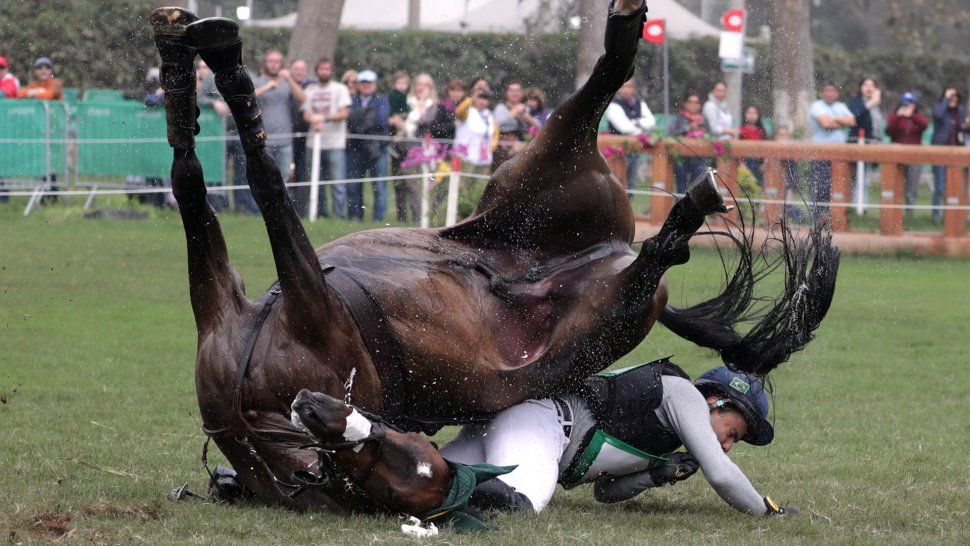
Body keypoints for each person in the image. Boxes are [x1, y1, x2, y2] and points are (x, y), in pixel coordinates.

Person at [440, 358, 794, 517]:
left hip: (525, 425)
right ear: (715, 401)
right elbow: (721, 473)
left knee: (432, 472)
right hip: (540, 424)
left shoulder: (670, 433)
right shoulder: (686, 395)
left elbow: (604, 492)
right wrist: (765, 511)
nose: (728, 445)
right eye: (732, 432)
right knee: (522, 505)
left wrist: (656, 475)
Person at [302, 58, 352, 219]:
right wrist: (312, 119)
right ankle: (320, 214)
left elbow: (344, 113)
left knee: (337, 183)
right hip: (313, 143)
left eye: (327, 69)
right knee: (316, 181)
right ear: (317, 71)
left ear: (331, 71)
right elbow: (306, 113)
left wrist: (324, 119)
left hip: (335, 143)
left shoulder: (340, 89)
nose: (324, 72)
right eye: (321, 69)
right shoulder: (310, 90)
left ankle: (339, 216)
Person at [253, 49, 306, 179]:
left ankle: (282, 200)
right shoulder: (258, 81)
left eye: (277, 61)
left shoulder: (287, 83)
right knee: (264, 178)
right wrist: (267, 87)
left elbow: (303, 98)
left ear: (282, 64)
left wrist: (289, 78)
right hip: (263, 140)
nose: (274, 64)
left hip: (285, 140)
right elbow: (247, 98)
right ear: (265, 63)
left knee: (285, 177)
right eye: (271, 61)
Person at [345, 69, 390, 222]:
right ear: (358, 84)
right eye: (363, 82)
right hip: (355, 148)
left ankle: (378, 219)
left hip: (377, 148)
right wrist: (367, 116)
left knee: (379, 186)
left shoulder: (382, 100)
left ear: (375, 84)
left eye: (369, 83)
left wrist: (360, 117)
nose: (366, 86)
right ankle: (355, 217)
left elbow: (382, 120)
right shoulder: (351, 99)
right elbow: (350, 120)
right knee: (353, 185)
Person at [808, 82, 855, 215]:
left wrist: (833, 119)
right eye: (827, 90)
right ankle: (815, 216)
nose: (829, 93)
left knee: (836, 186)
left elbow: (851, 121)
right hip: (820, 153)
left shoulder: (841, 106)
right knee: (818, 186)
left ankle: (834, 216)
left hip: (839, 155)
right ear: (821, 93)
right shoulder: (816, 106)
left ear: (837, 94)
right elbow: (825, 124)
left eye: (832, 91)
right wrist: (841, 122)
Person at [397, 73, 437, 222]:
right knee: (406, 183)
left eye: (426, 85)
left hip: (423, 149)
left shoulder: (433, 105)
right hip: (404, 146)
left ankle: (421, 216)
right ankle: (407, 216)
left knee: (420, 184)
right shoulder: (408, 102)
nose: (422, 88)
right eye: (419, 84)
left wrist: (421, 107)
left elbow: (427, 123)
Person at [606, 79, 657, 196]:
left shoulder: (639, 103)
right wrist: (640, 125)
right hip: (617, 151)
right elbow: (624, 127)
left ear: (633, 88)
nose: (626, 90)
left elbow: (651, 121)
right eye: (623, 87)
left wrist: (634, 121)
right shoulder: (613, 104)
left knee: (631, 183)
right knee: (617, 182)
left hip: (635, 150)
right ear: (619, 88)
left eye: (629, 87)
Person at [453, 89, 496, 218]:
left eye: (485, 98)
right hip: (466, 157)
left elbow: (494, 135)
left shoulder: (489, 115)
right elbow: (459, 112)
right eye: (480, 98)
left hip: (483, 159)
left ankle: (472, 214)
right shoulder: (467, 112)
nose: (483, 101)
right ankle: (458, 214)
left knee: (478, 189)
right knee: (462, 188)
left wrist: (490, 148)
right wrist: (471, 99)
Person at [930, 87, 969, 223]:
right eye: (950, 94)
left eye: (955, 95)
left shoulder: (960, 110)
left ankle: (952, 217)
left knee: (954, 187)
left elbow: (962, 127)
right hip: (940, 151)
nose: (953, 97)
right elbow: (938, 115)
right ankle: (936, 216)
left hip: (956, 152)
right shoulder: (939, 107)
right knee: (940, 186)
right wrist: (946, 100)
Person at [886, 93, 929, 216]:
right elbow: (889, 130)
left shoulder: (917, 117)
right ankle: (892, 213)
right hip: (896, 156)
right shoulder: (896, 116)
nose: (908, 104)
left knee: (911, 187)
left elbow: (925, 125)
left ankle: (909, 213)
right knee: (895, 185)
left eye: (911, 102)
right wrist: (899, 116)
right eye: (905, 102)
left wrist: (912, 116)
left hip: (914, 157)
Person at [288, 59, 315, 216]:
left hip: (305, 138)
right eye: (296, 68)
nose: (299, 72)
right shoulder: (284, 84)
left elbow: (303, 98)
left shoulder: (311, 86)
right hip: (288, 135)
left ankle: (301, 209)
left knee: (303, 173)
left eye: (302, 69)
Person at [667, 91, 709, 193]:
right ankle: (681, 207)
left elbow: (710, 135)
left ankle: (693, 208)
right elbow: (671, 133)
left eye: (696, 102)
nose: (693, 105)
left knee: (697, 187)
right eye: (691, 102)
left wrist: (702, 133)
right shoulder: (679, 118)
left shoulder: (703, 119)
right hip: (681, 157)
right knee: (681, 187)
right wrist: (687, 128)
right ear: (686, 104)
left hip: (699, 157)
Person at [847, 77, 884, 143]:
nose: (869, 88)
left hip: (876, 142)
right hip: (858, 142)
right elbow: (853, 117)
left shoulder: (878, 105)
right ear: (860, 88)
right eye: (865, 85)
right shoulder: (856, 101)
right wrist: (871, 103)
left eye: (872, 85)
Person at [738, 105, 767, 186]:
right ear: (745, 114)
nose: (751, 115)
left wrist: (764, 161)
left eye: (754, 113)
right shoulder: (741, 130)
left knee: (757, 184)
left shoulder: (761, 131)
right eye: (749, 113)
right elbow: (738, 148)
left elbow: (766, 147)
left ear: (758, 115)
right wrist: (740, 162)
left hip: (758, 161)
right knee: (745, 184)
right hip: (745, 161)